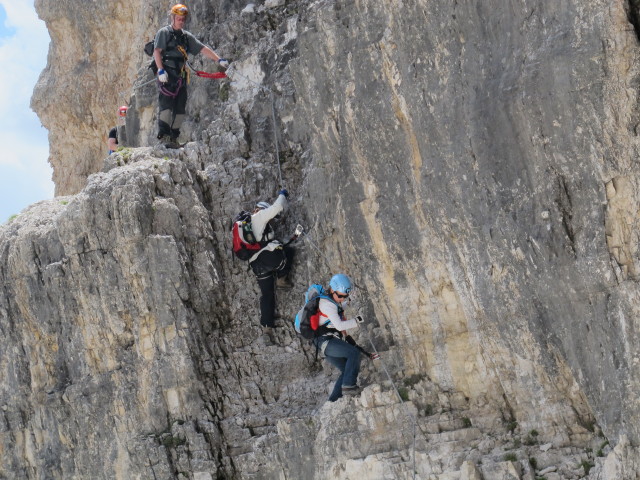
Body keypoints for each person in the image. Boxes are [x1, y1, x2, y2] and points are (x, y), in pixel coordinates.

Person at [153, 4, 230, 148]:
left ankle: (174, 137)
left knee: (180, 108)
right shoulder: (164, 33)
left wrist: (218, 59)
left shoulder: (186, 37)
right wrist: (160, 70)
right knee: (166, 107)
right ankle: (163, 136)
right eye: (178, 19)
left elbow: (202, 48)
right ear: (173, 18)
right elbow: (157, 51)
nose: (181, 21)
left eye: (183, 19)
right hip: (167, 75)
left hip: (180, 76)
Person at [248, 189, 294, 336]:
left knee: (267, 294)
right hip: (265, 258)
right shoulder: (258, 216)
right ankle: (282, 279)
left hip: (256, 265)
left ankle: (267, 326)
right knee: (288, 252)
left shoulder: (252, 225)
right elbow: (277, 207)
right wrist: (283, 194)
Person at [312, 274, 363, 402]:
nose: (341, 299)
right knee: (354, 353)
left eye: (344, 296)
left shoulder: (331, 302)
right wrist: (357, 321)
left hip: (326, 343)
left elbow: (337, 310)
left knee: (346, 368)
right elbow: (339, 325)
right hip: (326, 342)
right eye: (340, 296)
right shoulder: (327, 304)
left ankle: (333, 400)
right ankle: (349, 386)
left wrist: (348, 302)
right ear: (332, 290)